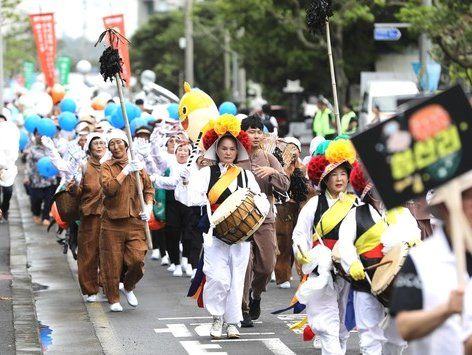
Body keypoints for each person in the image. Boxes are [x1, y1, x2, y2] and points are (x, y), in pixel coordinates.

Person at [176, 114, 263, 339]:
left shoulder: (245, 176)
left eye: (232, 149)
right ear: (216, 150)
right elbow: (191, 198)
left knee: (236, 278)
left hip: (241, 236)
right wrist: (187, 178)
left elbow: (259, 200)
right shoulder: (207, 173)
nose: (227, 152)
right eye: (223, 148)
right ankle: (217, 318)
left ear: (237, 152)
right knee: (217, 277)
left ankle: (232, 323)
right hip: (215, 234)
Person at [338, 162, 421, 355]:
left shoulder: (403, 213)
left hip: (397, 281)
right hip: (365, 281)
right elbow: (345, 244)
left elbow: (415, 239)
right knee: (369, 337)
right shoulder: (355, 214)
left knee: (398, 339)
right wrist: (353, 265)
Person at [389, 171, 472, 355]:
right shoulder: (422, 258)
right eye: (468, 196)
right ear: (446, 206)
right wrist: (446, 310)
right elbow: (405, 327)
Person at [292, 137, 358, 353]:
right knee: (326, 315)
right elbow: (300, 233)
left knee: (343, 313)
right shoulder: (314, 204)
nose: (339, 179)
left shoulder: (356, 204)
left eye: (343, 174)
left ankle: (341, 343)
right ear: (324, 178)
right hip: (322, 267)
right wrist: (303, 256)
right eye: (334, 175)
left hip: (348, 267)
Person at [239, 114, 290, 327]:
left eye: (259, 131)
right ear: (243, 133)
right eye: (252, 131)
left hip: (265, 217)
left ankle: (256, 295)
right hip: (240, 219)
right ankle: (243, 309)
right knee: (245, 264)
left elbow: (285, 185)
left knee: (267, 265)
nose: (256, 135)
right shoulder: (235, 156)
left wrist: (272, 173)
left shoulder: (269, 158)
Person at [99, 129, 154, 312]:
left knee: (137, 260)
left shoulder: (138, 165)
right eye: (112, 144)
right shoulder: (106, 166)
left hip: (136, 222)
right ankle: (113, 298)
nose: (116, 147)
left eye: (119, 142)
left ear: (126, 144)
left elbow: (149, 190)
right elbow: (109, 189)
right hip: (112, 222)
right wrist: (124, 171)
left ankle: (129, 286)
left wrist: (148, 208)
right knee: (112, 263)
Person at [68, 133, 107, 302]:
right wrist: (75, 182)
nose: (99, 146)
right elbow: (75, 193)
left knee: (110, 254)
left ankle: (108, 285)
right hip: (90, 217)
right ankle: (90, 289)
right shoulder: (83, 166)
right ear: (90, 148)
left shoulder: (111, 166)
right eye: (96, 143)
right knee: (88, 254)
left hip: (111, 217)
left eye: (102, 143)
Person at [273, 137, 310, 288]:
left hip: (299, 208)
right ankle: (282, 276)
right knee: (284, 242)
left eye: (295, 149)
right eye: (289, 149)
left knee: (299, 241)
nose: (292, 152)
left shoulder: (302, 167)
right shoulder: (279, 166)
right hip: (283, 207)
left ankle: (298, 273)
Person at [25, 130, 58, 226]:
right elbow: (28, 164)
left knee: (49, 200)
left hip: (50, 179)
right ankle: (36, 213)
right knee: (36, 200)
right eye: (38, 134)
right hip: (36, 180)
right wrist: (27, 177)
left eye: (42, 134)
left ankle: (46, 217)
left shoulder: (51, 148)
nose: (40, 136)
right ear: (35, 136)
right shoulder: (32, 150)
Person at [0, 109, 18, 222]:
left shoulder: (11, 137)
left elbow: (14, 153)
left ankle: (4, 209)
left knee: (8, 192)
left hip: (8, 170)